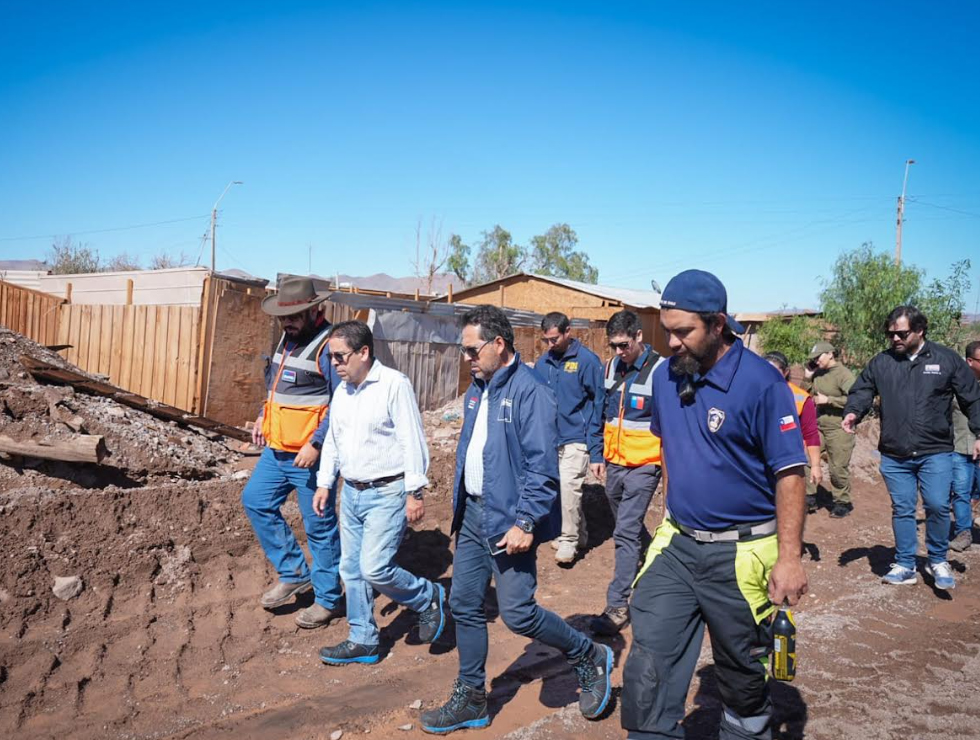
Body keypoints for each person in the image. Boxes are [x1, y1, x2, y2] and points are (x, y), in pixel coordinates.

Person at [622, 269, 809, 740]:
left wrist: (789, 559)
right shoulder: (666, 376)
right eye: (666, 331)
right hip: (679, 545)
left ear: (719, 324)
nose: (671, 343)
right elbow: (670, 449)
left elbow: (790, 473)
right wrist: (668, 516)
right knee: (646, 668)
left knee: (745, 683)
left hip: (742, 554)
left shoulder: (763, 384)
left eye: (684, 332)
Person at [420, 305, 613, 735]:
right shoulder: (477, 389)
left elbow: (542, 467)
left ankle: (588, 654)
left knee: (519, 614)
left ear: (498, 344)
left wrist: (526, 521)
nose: (467, 357)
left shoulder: (530, 391)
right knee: (464, 603)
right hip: (472, 514)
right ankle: (472, 697)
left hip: (508, 519)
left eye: (472, 349)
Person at [313, 320, 446, 664]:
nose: (335, 365)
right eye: (331, 358)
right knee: (351, 570)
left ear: (364, 352)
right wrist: (325, 482)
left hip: (387, 492)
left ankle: (428, 597)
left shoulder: (393, 385)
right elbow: (334, 439)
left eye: (340, 357)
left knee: (374, 568)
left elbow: (411, 439)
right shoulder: (343, 391)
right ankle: (363, 638)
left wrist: (415, 491)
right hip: (352, 493)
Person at [843, 306, 980, 590]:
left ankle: (938, 559)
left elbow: (972, 399)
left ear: (919, 331)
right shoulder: (882, 362)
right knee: (903, 509)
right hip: (895, 453)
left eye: (901, 333)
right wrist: (854, 411)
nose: (894, 339)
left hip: (936, 451)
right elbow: (863, 389)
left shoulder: (946, 360)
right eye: (890, 334)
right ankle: (905, 564)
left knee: (938, 505)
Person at [241, 277, 343, 629]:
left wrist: (316, 443)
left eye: (296, 315)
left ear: (317, 310)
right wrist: (261, 416)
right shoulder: (287, 339)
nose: (289, 321)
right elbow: (276, 389)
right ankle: (295, 571)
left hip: (309, 455)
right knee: (255, 500)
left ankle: (328, 599)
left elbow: (341, 404)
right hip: (276, 449)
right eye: (284, 316)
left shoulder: (330, 346)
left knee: (319, 526)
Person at [590, 309, 665, 637]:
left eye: (624, 345)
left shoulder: (661, 372)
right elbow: (598, 413)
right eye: (613, 346)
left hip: (645, 465)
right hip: (614, 463)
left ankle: (617, 606)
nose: (619, 352)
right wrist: (597, 454)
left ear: (639, 337)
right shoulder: (609, 368)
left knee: (624, 532)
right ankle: (650, 553)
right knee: (627, 526)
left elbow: (672, 422)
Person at [534, 311, 605, 564]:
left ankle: (569, 540)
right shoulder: (543, 364)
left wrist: (596, 449)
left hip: (577, 437)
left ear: (568, 332)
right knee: (565, 493)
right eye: (547, 340)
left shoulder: (587, 361)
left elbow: (598, 406)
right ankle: (580, 533)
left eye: (555, 339)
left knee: (568, 487)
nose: (551, 344)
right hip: (552, 439)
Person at [801, 341, 856, 517]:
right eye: (813, 359)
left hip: (839, 427)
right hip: (819, 425)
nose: (816, 361)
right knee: (807, 458)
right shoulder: (818, 373)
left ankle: (842, 502)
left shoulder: (844, 375)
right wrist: (807, 377)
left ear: (830, 354)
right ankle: (809, 497)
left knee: (837, 467)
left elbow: (856, 399)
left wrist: (830, 400)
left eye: (818, 357)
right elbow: (803, 395)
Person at [765, 351, 823, 495]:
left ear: (785, 372)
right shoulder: (750, 392)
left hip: (787, 460)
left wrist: (815, 465)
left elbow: (811, 434)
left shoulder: (801, 398)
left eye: (775, 371)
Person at [948, 339, 980, 552]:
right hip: (960, 447)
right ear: (970, 361)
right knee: (961, 492)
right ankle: (963, 532)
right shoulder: (954, 384)